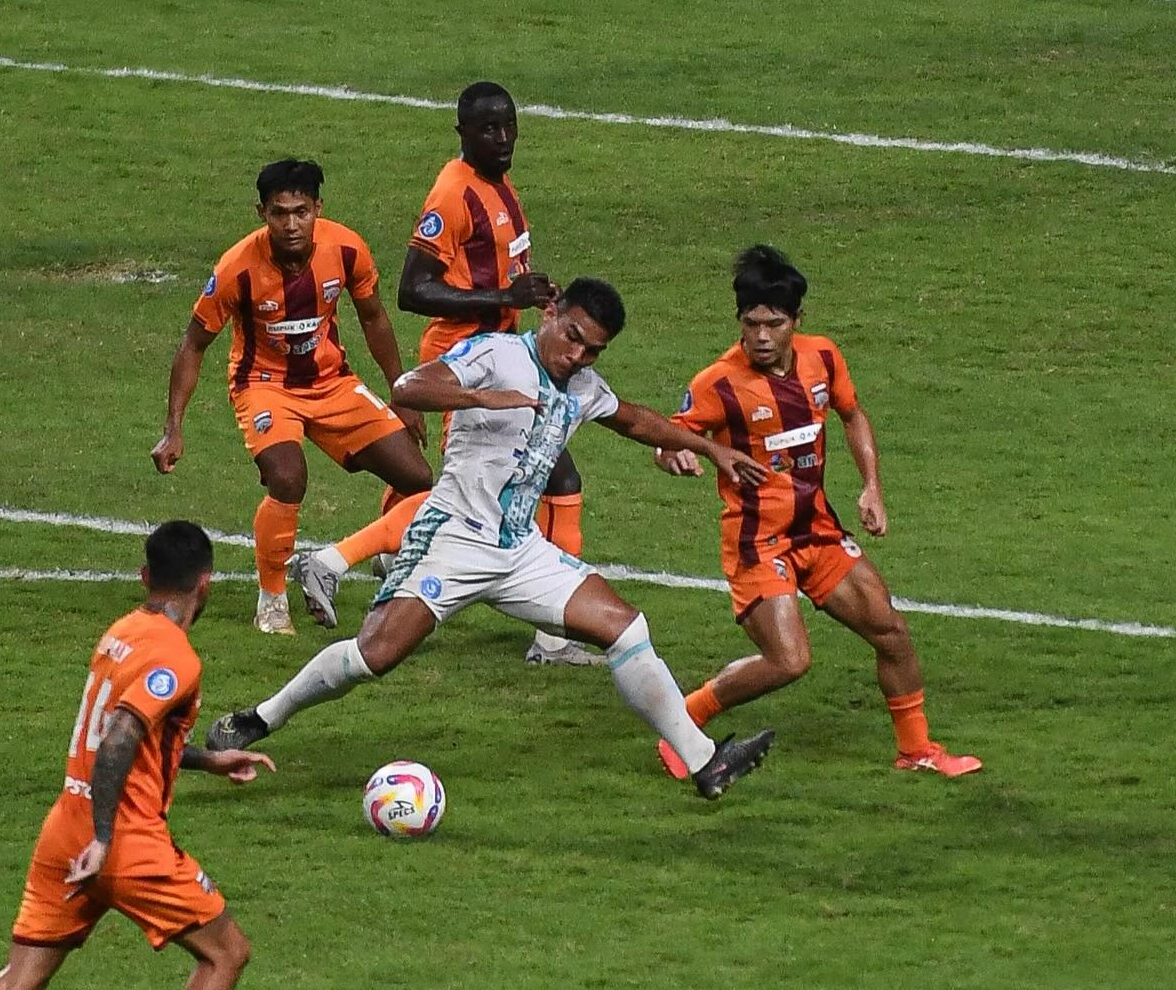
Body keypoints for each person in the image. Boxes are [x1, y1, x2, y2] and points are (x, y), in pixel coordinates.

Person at [207, 278, 777, 800]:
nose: (576, 356)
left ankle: (705, 762)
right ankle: (261, 717)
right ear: (550, 314)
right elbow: (409, 387)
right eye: (572, 337)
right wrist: (481, 397)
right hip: (452, 539)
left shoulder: (583, 386)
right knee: (372, 657)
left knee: (626, 628)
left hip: (520, 551)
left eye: (592, 351)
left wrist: (710, 449)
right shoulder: (497, 355)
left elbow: (632, 419)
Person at [287, 82, 593, 665]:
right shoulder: (454, 194)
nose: (502, 138)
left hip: (501, 354)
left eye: (508, 126)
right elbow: (413, 290)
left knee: (535, 481)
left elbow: (491, 269)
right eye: (488, 128)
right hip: (468, 363)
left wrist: (527, 294)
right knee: (502, 488)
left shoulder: (499, 184)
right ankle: (334, 560)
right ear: (462, 133)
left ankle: (352, 559)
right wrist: (504, 296)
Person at [652, 245, 982, 778]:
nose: (761, 336)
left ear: (797, 321)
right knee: (789, 661)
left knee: (892, 632)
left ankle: (917, 750)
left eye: (774, 324)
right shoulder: (718, 383)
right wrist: (677, 456)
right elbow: (669, 437)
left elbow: (852, 415)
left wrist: (872, 487)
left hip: (817, 531)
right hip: (758, 542)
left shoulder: (823, 357)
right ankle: (683, 722)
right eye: (751, 324)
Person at [0, 521, 277, 990]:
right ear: (205, 583)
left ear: (145, 577)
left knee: (23, 976)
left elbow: (136, 739)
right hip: (125, 840)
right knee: (226, 954)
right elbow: (118, 739)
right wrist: (103, 839)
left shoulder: (121, 632)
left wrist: (208, 760)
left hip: (65, 828)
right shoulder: (175, 657)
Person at [150, 159, 432, 634]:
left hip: (332, 382)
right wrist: (173, 428)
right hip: (264, 387)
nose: (291, 224)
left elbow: (374, 318)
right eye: (280, 213)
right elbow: (193, 344)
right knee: (287, 477)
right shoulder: (237, 268)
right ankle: (273, 597)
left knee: (418, 478)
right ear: (262, 213)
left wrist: (400, 391)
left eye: (301, 211)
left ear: (318, 207)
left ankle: (387, 552)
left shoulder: (347, 249)